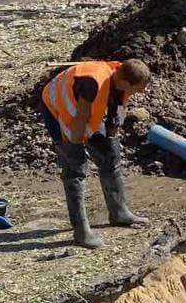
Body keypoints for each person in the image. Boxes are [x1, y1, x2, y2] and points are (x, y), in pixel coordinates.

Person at [40, 58, 152, 248]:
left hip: (82, 111)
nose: (136, 94)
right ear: (125, 83)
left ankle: (119, 212)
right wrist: (75, 149)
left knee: (110, 157)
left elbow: (114, 115)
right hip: (58, 108)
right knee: (75, 171)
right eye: (136, 89)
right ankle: (81, 232)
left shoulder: (119, 79)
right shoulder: (93, 83)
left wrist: (110, 141)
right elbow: (80, 118)